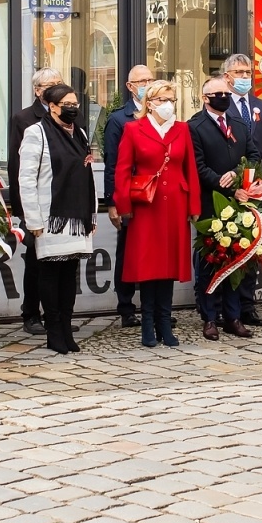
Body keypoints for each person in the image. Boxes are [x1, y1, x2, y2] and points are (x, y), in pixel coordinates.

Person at [113, 80, 199, 347]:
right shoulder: (133, 129)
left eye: (171, 99)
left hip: (174, 205)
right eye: (162, 100)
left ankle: (165, 321)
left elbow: (190, 169)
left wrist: (194, 206)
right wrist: (123, 206)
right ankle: (147, 324)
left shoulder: (182, 129)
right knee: (148, 267)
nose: (168, 105)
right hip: (146, 208)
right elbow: (123, 170)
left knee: (169, 267)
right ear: (149, 103)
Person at [17, 84, 97, 355]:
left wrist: (91, 214)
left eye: (75, 103)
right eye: (67, 103)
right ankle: (53, 331)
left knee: (69, 276)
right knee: (51, 274)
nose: (73, 108)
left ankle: (66, 326)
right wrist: (33, 220)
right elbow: (26, 179)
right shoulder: (36, 133)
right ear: (52, 106)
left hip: (77, 217)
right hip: (50, 217)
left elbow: (87, 177)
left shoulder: (81, 133)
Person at [189, 76, 262, 340]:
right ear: (205, 98)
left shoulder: (240, 124)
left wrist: (239, 174)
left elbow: (254, 156)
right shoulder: (195, 126)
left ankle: (233, 316)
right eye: (216, 93)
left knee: (236, 262)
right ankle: (209, 317)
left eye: (225, 92)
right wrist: (223, 182)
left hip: (241, 202)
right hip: (210, 204)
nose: (223, 97)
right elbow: (197, 167)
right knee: (210, 263)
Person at [9, 68, 63, 336]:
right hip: (37, 204)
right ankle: (31, 313)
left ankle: (57, 315)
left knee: (61, 261)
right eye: (48, 85)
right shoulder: (24, 118)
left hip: (63, 202)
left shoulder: (68, 115)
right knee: (35, 261)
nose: (54, 88)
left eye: (58, 83)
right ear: (37, 90)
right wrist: (22, 209)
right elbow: (19, 167)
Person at [226, 53, 262, 325]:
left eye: (248, 72)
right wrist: (236, 180)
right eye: (239, 72)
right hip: (229, 189)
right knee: (229, 244)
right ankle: (226, 307)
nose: (245, 77)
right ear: (228, 76)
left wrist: (259, 176)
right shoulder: (223, 105)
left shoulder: (261, 106)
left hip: (255, 189)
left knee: (252, 246)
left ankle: (248, 305)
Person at [103, 64, 154, 329]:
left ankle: (153, 306)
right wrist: (113, 201)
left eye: (150, 79)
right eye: (141, 80)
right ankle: (126, 307)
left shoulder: (160, 114)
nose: (146, 83)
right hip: (131, 196)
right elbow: (112, 164)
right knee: (127, 252)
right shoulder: (119, 119)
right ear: (130, 86)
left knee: (152, 253)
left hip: (157, 198)